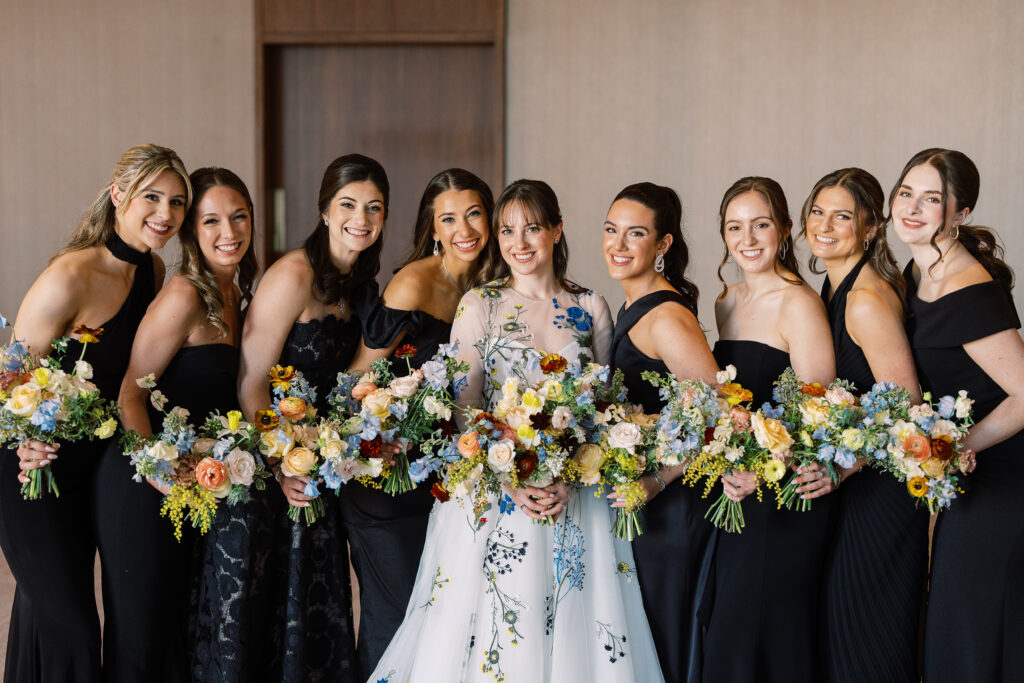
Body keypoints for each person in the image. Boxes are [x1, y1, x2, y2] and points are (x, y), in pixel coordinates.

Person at [371, 179, 663, 682]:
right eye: (507, 230)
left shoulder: (591, 306)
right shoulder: (479, 305)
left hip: (575, 497)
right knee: (498, 635)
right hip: (495, 492)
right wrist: (508, 474)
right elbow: (465, 409)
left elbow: (603, 408)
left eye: (532, 228)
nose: (519, 243)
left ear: (556, 231)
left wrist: (572, 472)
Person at [0, 144, 190, 682]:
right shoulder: (70, 276)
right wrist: (23, 439)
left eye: (177, 202)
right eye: (152, 197)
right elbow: (9, 378)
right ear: (118, 196)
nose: (166, 214)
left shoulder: (152, 270)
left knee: (45, 616)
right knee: (73, 626)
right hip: (32, 469)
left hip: (93, 471)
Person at [238, 153, 389, 682]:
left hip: (324, 469)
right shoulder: (292, 275)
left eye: (374, 208)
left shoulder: (363, 289)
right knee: (279, 610)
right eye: (349, 204)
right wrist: (283, 462)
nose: (361, 218)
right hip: (280, 471)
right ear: (325, 210)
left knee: (319, 607)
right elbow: (250, 381)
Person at [343, 168, 497, 678]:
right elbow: (356, 381)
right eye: (448, 218)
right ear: (433, 228)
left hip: (448, 481)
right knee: (397, 619)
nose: (464, 229)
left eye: (473, 213)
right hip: (388, 482)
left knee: (443, 622)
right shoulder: (413, 282)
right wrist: (383, 433)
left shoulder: (494, 287)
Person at [114, 167, 259, 681]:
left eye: (240, 217)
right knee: (144, 635)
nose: (230, 233)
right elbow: (129, 396)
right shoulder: (184, 296)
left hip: (196, 485)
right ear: (192, 231)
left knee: (181, 628)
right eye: (212, 220)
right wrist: (162, 473)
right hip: (143, 480)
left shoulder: (238, 296)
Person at [891, 148, 1024, 683]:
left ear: (960, 213)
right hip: (968, 478)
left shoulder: (968, 288)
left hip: (1004, 476)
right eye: (906, 194)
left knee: (972, 626)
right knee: (953, 621)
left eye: (932, 199)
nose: (913, 209)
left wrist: (963, 445)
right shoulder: (918, 271)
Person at [699, 176, 835, 683]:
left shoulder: (798, 302)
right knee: (730, 637)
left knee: (767, 638)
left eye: (760, 225)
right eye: (735, 227)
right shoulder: (726, 301)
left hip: (783, 497)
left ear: (783, 230)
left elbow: (816, 408)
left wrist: (765, 472)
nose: (748, 239)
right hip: (735, 494)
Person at [799, 167, 927, 683]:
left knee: (867, 643)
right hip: (853, 491)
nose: (825, 225)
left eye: (843, 216)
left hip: (880, 499)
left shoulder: (866, 299)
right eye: (817, 212)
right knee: (844, 640)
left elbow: (908, 410)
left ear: (872, 229)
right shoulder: (834, 289)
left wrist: (843, 469)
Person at [602, 182, 719, 682]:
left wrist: (656, 481)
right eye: (611, 231)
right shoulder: (633, 306)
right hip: (645, 505)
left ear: (663, 245)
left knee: (667, 643)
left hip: (672, 508)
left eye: (635, 234)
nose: (618, 245)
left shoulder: (667, 317)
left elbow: (718, 424)